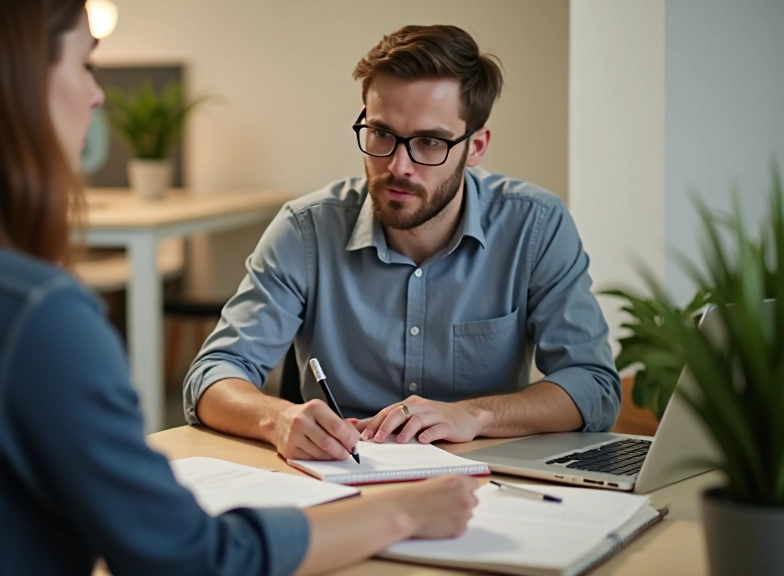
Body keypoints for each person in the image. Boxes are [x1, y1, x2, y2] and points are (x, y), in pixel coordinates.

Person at [0, 2, 479, 575]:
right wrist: (402, 514)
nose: (98, 95)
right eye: (85, 63)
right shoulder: (30, 316)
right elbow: (186, 557)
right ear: (8, 84)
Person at [184, 24, 621, 462]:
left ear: (477, 146)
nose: (398, 165)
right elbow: (212, 375)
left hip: (490, 482)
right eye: (382, 134)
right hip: (340, 482)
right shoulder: (305, 230)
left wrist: (475, 415)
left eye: (429, 142)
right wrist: (276, 419)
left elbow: (593, 385)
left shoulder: (535, 226)